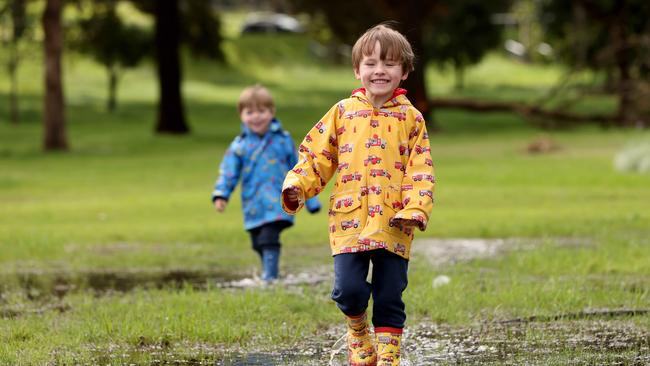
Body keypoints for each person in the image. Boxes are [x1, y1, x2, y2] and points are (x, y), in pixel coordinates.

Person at [281, 23, 434, 366]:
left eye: (390, 63)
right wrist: (297, 185)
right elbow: (316, 157)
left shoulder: (412, 119)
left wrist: (416, 207)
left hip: (395, 222)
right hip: (349, 221)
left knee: (390, 292)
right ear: (357, 69)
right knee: (348, 291)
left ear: (405, 72)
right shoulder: (342, 113)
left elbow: (421, 168)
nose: (380, 70)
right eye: (371, 63)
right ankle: (357, 328)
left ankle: (388, 356)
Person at [212, 84, 321, 282]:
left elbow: (299, 168)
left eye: (261, 111)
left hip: (279, 203)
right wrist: (221, 194)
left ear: (272, 112)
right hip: (253, 204)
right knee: (257, 242)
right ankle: (269, 270)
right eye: (250, 112)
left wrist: (310, 200)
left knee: (269, 238)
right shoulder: (239, 146)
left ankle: (269, 278)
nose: (256, 117)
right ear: (241, 115)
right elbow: (229, 173)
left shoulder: (283, 141)